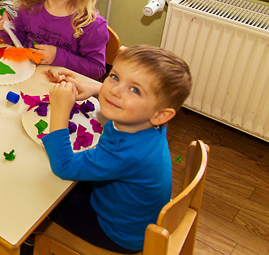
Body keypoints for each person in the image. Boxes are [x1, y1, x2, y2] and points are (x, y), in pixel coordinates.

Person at [42, 45, 192, 252]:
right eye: (114, 77)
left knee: (41, 200)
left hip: (116, 232)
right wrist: (95, 88)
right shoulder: (150, 123)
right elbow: (119, 95)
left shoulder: (125, 153)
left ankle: (31, 240)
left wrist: (60, 110)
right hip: (133, 215)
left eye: (135, 90)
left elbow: (64, 166)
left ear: (160, 114)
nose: (114, 90)